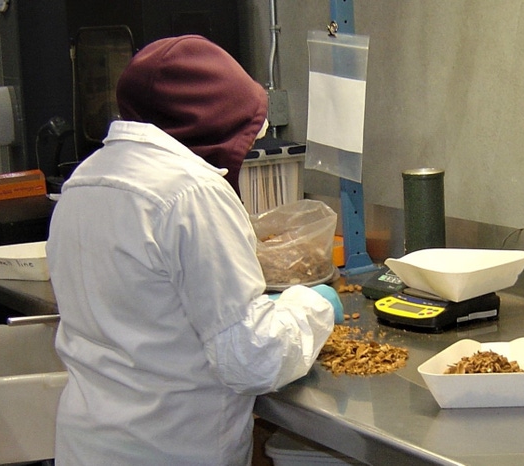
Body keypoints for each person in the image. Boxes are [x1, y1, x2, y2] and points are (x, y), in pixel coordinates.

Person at [46, 35, 340, 465]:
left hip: (87, 446)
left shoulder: (84, 180)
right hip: (170, 448)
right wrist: (312, 306)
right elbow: (249, 358)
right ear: (215, 120)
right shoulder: (192, 192)